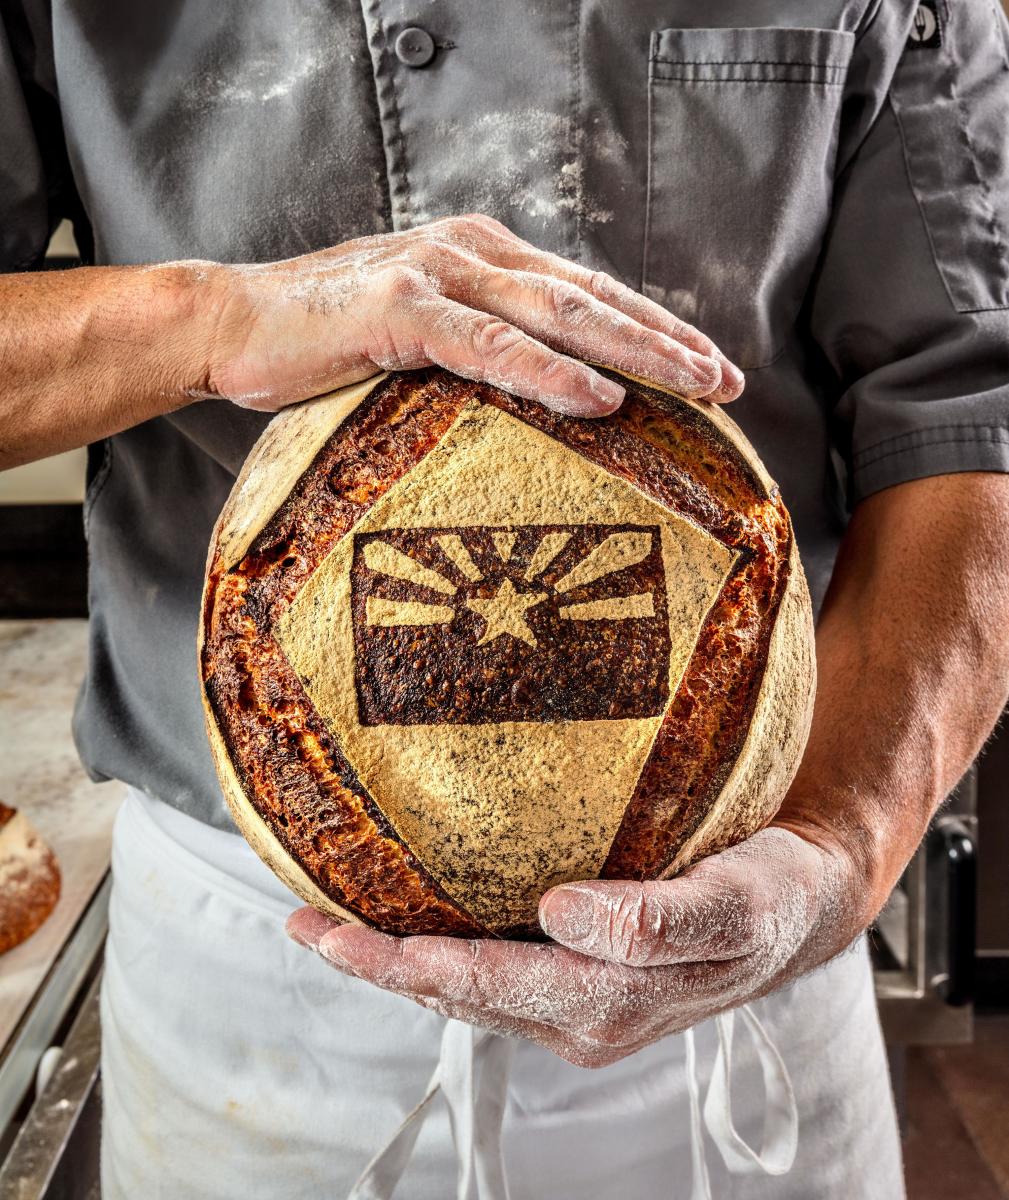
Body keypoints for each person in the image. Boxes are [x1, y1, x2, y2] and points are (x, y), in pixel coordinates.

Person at [2, 1, 1008, 1196]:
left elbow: (968, 413)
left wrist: (841, 837)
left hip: (748, 930)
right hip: (256, 974)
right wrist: (214, 318)